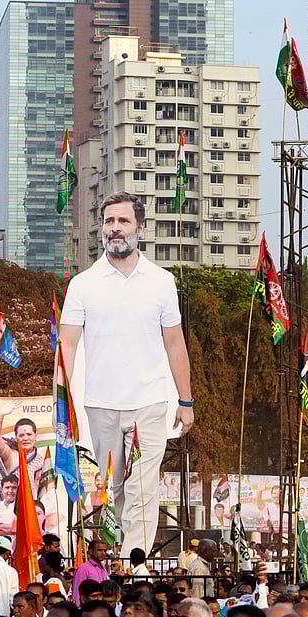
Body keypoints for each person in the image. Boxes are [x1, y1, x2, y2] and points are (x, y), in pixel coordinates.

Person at [59, 190, 195, 555]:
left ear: (141, 228)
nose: (115, 228)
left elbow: (175, 344)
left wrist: (185, 402)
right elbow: (67, 346)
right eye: (109, 221)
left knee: (142, 487)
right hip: (100, 404)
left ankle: (136, 562)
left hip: (150, 402)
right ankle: (122, 552)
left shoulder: (161, 281)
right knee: (115, 486)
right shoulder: (82, 284)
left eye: (123, 221)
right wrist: (62, 402)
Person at [73, 540, 111, 606]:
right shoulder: (83, 569)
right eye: (100, 550)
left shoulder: (103, 568)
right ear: (91, 551)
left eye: (105, 551)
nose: (103, 553)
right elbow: (77, 593)